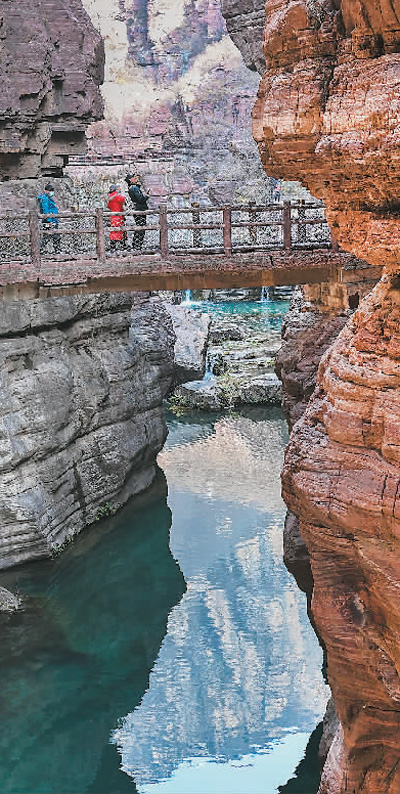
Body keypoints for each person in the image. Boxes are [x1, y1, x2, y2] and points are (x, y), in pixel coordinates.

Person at [125, 173, 150, 250]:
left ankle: (136, 244)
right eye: (133, 177)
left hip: (137, 209)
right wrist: (146, 196)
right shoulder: (134, 188)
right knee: (141, 228)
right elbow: (140, 199)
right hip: (140, 209)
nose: (135, 178)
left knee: (139, 227)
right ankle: (137, 245)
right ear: (130, 179)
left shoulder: (132, 187)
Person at [37, 183, 60, 253]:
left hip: (50, 219)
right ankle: (57, 250)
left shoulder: (46, 197)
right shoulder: (45, 199)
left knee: (46, 236)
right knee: (55, 235)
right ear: (46, 191)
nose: (52, 192)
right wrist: (49, 221)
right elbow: (45, 210)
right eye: (50, 191)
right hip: (49, 220)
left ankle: (41, 250)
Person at [107, 184, 126, 252]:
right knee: (121, 230)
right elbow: (122, 205)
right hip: (119, 215)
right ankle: (122, 246)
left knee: (113, 231)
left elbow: (108, 206)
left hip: (113, 216)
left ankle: (113, 246)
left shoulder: (110, 196)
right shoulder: (119, 196)